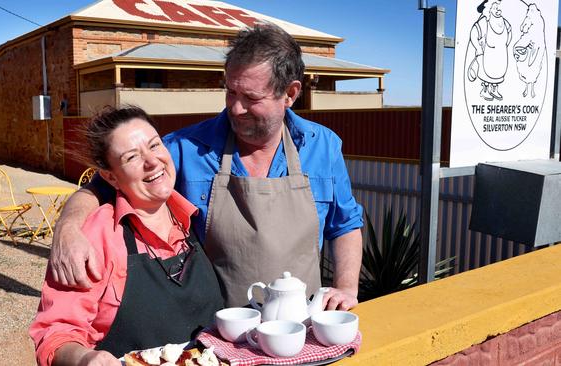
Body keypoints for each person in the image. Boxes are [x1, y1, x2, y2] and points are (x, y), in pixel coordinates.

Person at [49, 23, 364, 309]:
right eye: (230, 91)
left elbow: (345, 224)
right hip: (212, 330)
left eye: (251, 97)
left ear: (290, 93)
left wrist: (346, 288)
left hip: (299, 327)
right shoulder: (187, 148)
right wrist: (68, 227)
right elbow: (101, 186)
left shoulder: (323, 146)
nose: (235, 107)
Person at [29, 106, 224, 366]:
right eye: (132, 157)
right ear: (111, 177)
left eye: (154, 145)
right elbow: (56, 332)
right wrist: (83, 358)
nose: (152, 161)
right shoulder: (96, 236)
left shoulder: (195, 217)